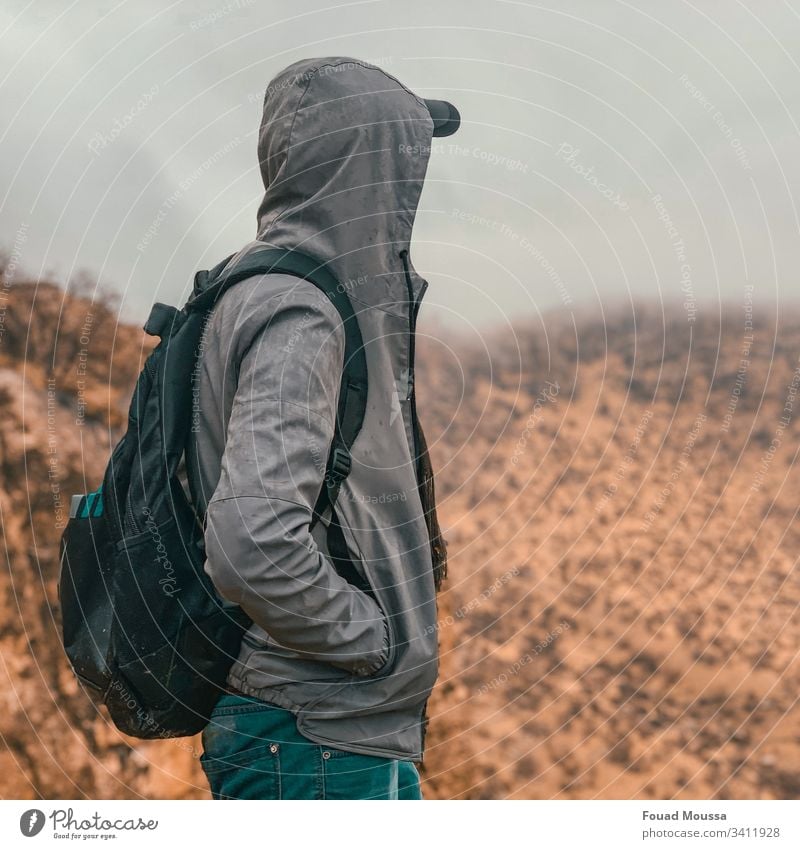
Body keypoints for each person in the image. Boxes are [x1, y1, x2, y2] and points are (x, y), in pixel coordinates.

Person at [187, 57, 458, 800]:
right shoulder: (301, 308)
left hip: (334, 730)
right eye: (404, 154)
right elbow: (253, 545)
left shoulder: (264, 285)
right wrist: (375, 644)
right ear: (370, 166)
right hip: (310, 737)